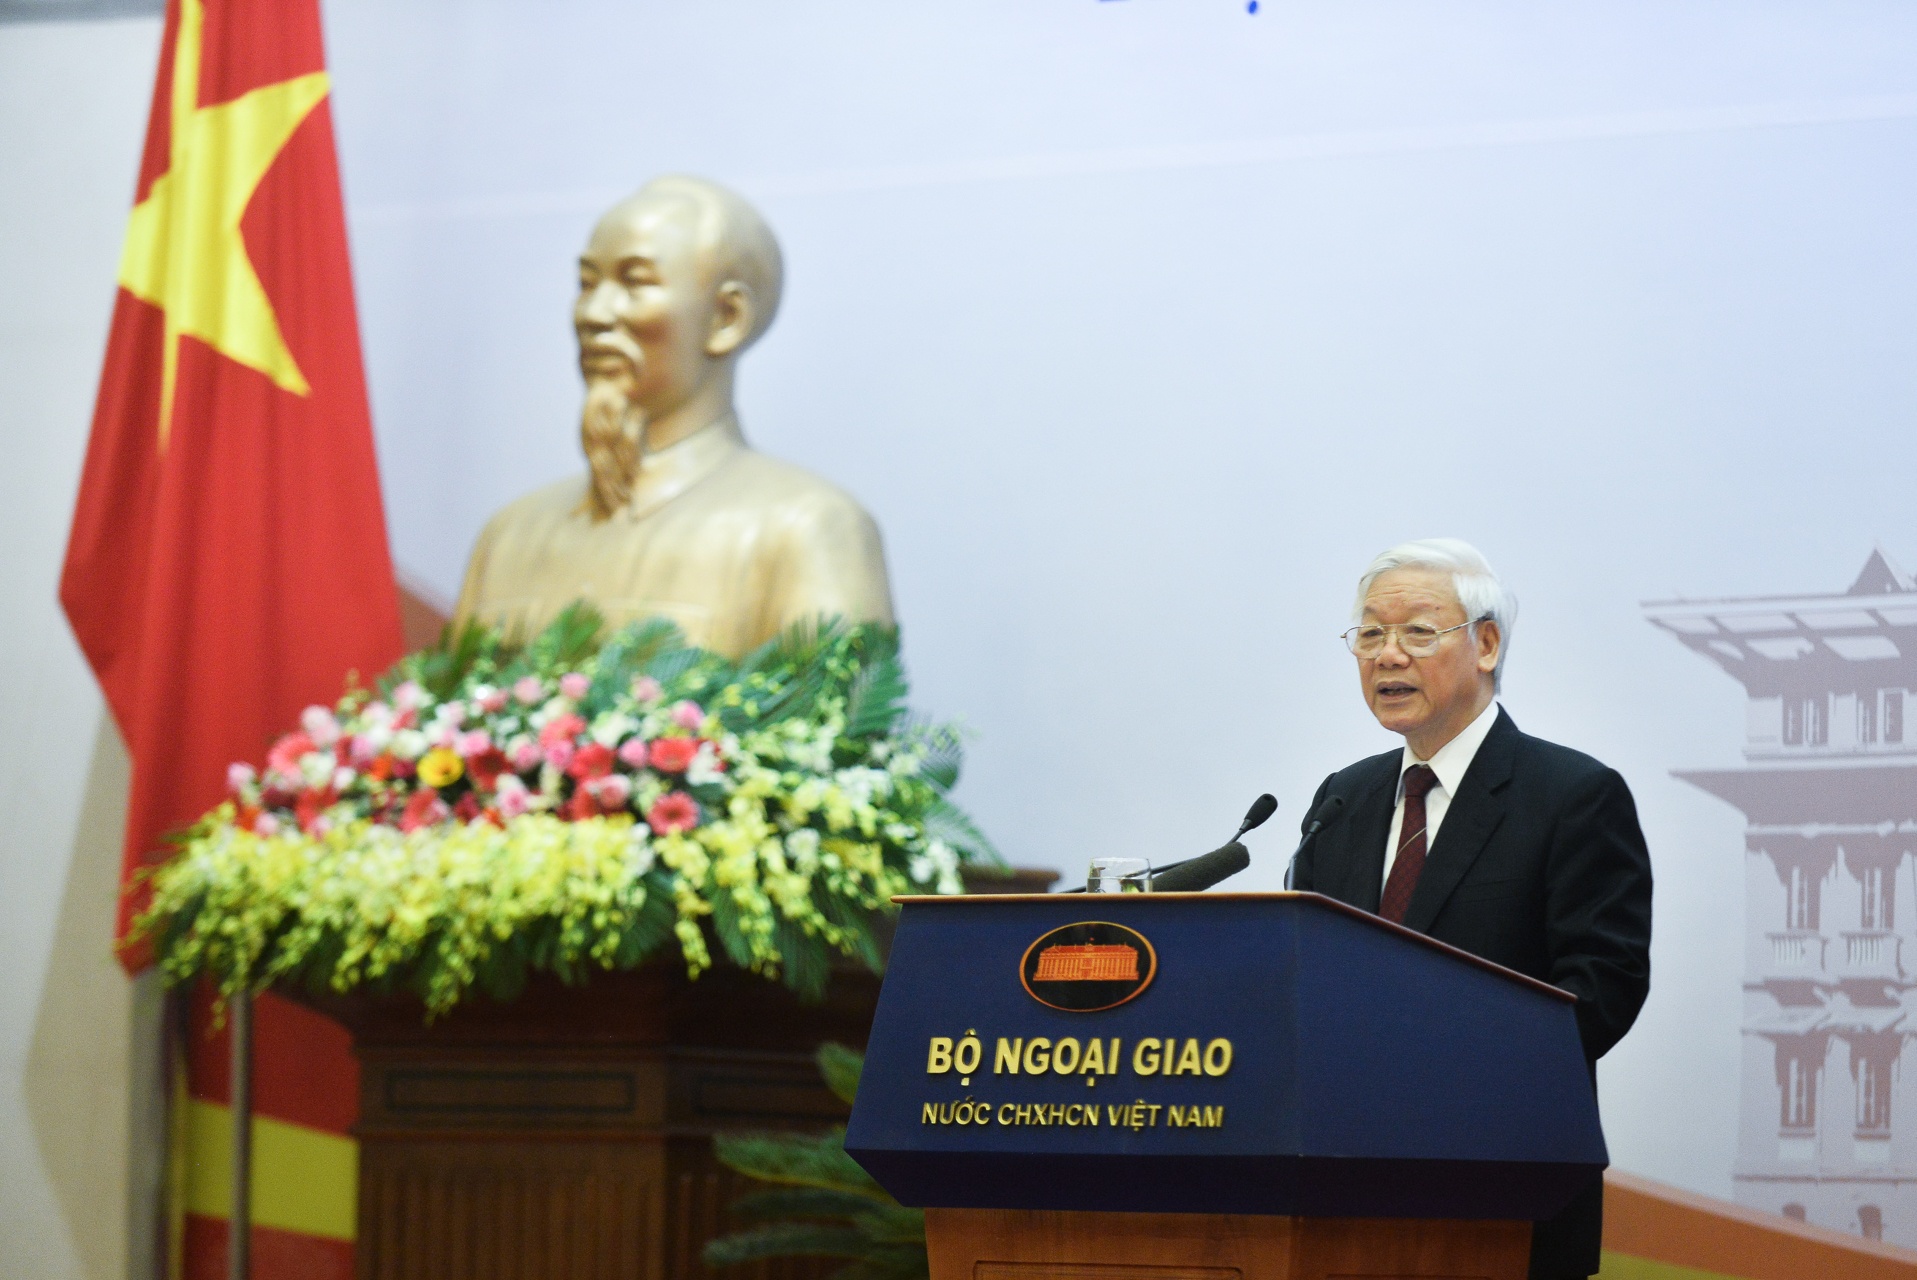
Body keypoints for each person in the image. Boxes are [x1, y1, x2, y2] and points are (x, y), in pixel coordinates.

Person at [1289, 538, 1653, 1280]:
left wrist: (1427, 1068)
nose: (1387, 655)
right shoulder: (1343, 799)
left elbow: (1601, 992)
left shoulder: (1570, 796)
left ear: (1485, 644)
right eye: (1369, 634)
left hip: (1500, 1187)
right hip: (1332, 1192)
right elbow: (1299, 979)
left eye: (1417, 631)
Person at [454, 175, 894, 656]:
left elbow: (836, 722)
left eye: (634, 282)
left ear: (726, 318)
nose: (594, 314)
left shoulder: (806, 529)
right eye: (586, 284)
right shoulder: (509, 539)